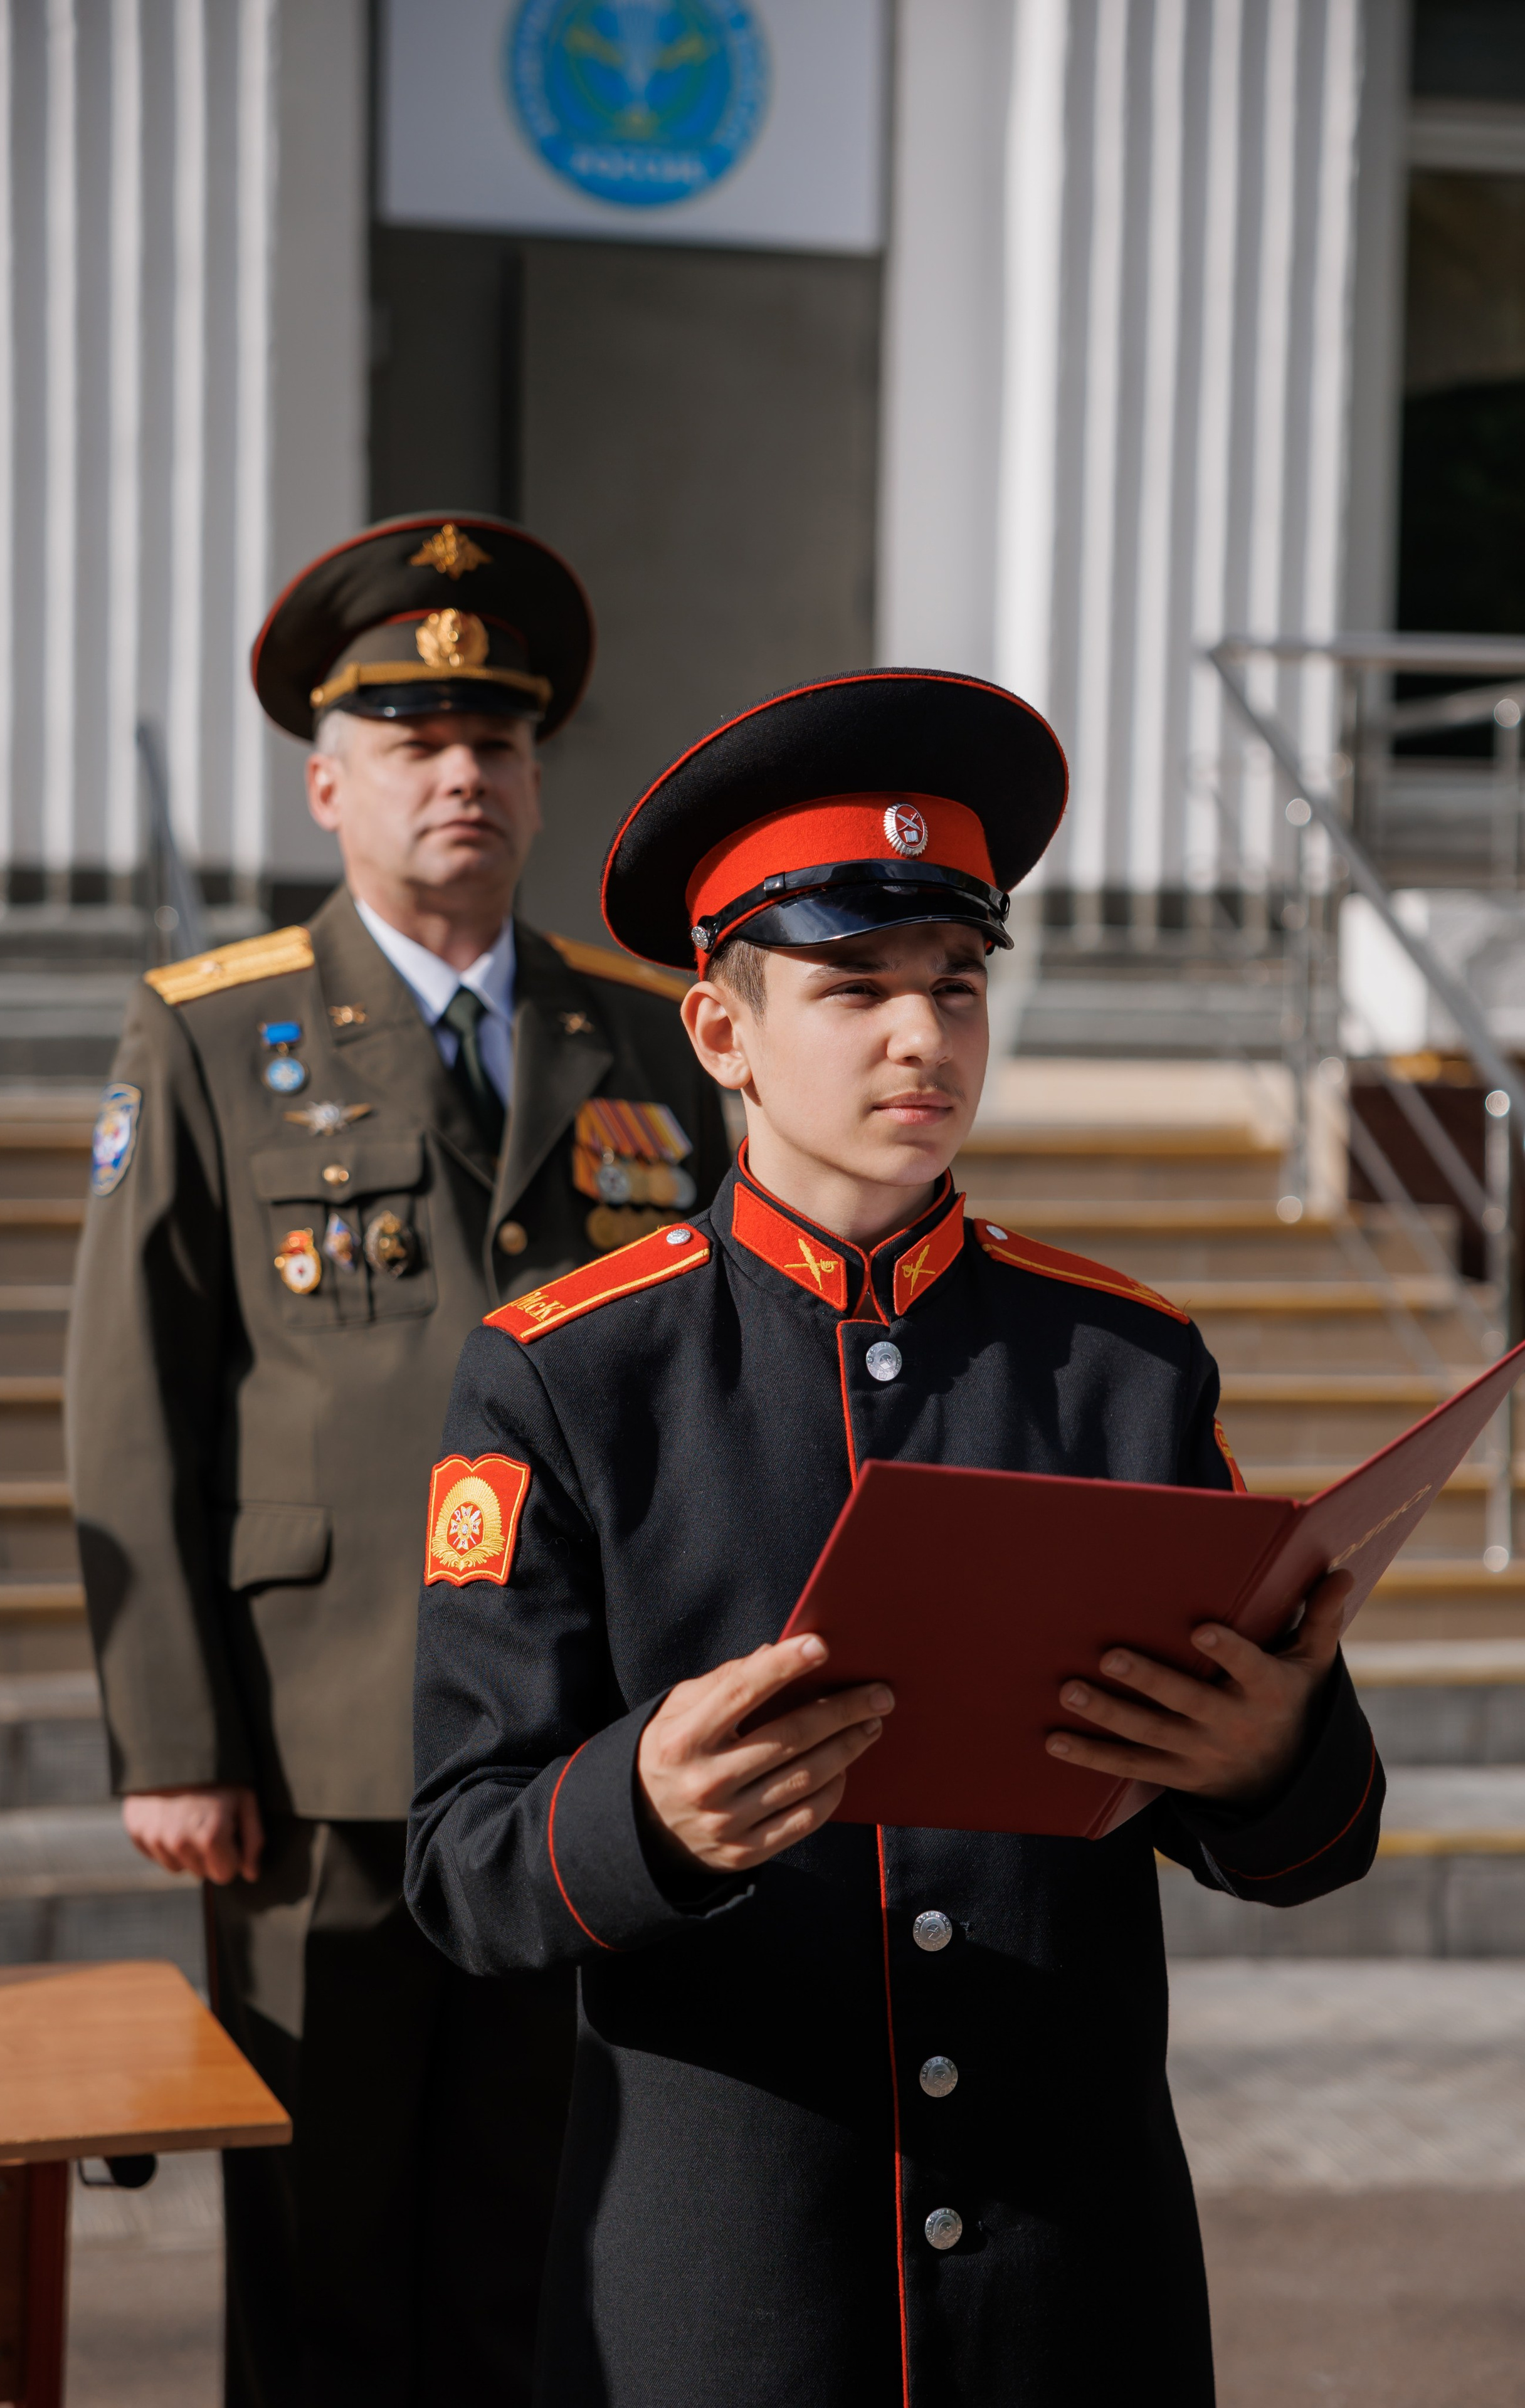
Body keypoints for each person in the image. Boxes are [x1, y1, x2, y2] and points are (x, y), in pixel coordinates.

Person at [404, 668, 1383, 2408]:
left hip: (1072, 2292)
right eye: (853, 990)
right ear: (720, 1031)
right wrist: (644, 1814)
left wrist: (1270, 1761)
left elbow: (1310, 1837)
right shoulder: (569, 1373)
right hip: (727, 2304)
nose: (921, 1038)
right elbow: (462, 1862)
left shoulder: (1123, 1362)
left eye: (955, 983)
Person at [66, 514, 729, 2407]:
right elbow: (132, 1399)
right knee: (319, 2235)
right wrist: (175, 1739)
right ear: (328, 781)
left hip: (575, 1738)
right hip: (313, 1750)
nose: (466, 775)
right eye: (421, 741)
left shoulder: (640, 1031)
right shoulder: (210, 1035)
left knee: (543, 2226)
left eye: (500, 742)